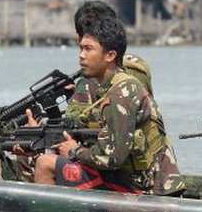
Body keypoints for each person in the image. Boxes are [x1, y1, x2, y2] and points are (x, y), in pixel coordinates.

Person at [32, 16, 177, 193]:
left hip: (143, 185)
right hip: (134, 177)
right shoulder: (109, 88)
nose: (81, 55)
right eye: (81, 48)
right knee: (50, 158)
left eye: (88, 49)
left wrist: (74, 151)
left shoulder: (122, 92)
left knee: (45, 164)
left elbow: (113, 158)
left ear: (110, 55)